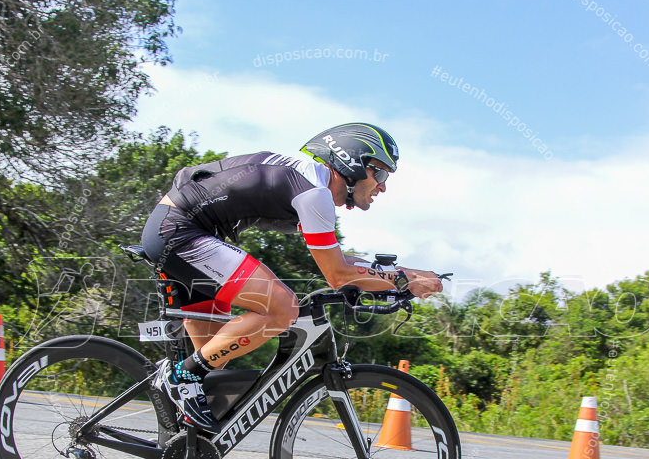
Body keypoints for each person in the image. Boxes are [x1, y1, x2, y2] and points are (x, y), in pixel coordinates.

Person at [140, 123, 443, 433]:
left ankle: (186, 455)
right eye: (380, 174)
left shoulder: (307, 183)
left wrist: (404, 274)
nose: (382, 186)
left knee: (214, 363)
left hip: (182, 232)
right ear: (352, 162)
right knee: (281, 308)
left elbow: (339, 261)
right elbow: (339, 275)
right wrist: (403, 280)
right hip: (179, 232)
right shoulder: (314, 193)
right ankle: (179, 377)